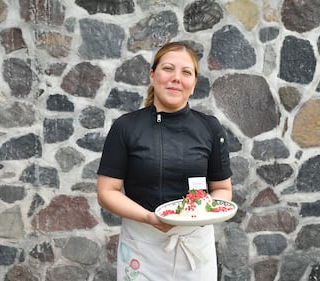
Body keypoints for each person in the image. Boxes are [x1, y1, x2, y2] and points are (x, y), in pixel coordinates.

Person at [97, 41, 233, 281]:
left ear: (193, 84)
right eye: (168, 69)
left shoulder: (210, 128)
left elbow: (222, 189)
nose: (176, 78)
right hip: (142, 245)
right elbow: (107, 192)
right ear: (152, 75)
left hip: (195, 247)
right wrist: (149, 217)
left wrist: (199, 212)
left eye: (186, 72)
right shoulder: (125, 127)